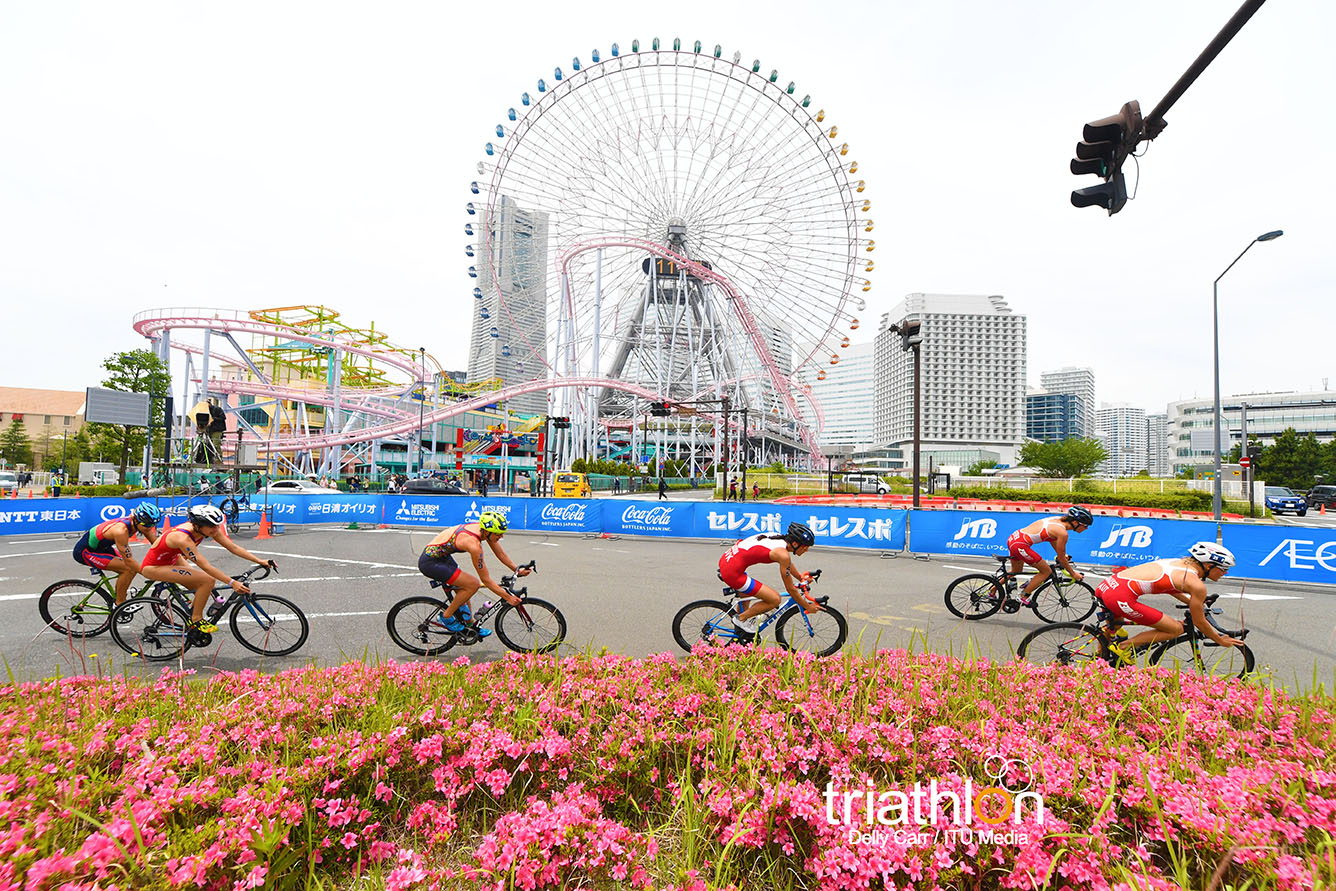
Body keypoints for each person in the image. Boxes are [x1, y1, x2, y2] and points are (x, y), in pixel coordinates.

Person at [1095, 541, 1244, 663]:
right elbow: (1199, 622)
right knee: (1175, 629)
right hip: (1119, 596)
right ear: (1208, 565)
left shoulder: (1178, 563)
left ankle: (1098, 658)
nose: (1226, 573)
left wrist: (1190, 600)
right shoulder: (1196, 584)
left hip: (1107, 586)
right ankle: (1123, 648)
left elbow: (1169, 586)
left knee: (1114, 626)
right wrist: (1219, 640)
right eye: (1224, 568)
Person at [138, 504, 275, 634]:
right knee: (207, 580)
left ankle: (192, 611)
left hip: (173, 560)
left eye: (217, 525)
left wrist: (259, 560)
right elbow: (205, 566)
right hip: (153, 567)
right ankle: (196, 619)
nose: (215, 530)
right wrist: (232, 583)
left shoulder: (208, 529)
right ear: (197, 525)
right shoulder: (182, 538)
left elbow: (233, 547)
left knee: (203, 586)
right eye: (211, 527)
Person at [419, 510, 531, 635]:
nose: (501, 536)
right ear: (487, 532)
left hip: (442, 557)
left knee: (464, 590)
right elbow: (486, 580)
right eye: (498, 534)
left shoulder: (483, 530)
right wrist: (508, 597)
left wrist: (516, 570)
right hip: (431, 563)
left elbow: (500, 553)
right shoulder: (474, 545)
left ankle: (470, 627)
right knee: (473, 584)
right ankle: (446, 616)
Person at [718, 522, 821, 642]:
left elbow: (786, 564)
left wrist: (800, 577)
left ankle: (741, 634)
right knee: (774, 599)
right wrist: (807, 606)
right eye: (805, 547)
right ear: (795, 544)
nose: (806, 550)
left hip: (728, 560)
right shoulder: (782, 554)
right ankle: (740, 619)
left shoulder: (779, 539)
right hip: (732, 572)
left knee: (749, 593)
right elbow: (791, 589)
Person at [72, 503, 163, 606]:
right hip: (85, 551)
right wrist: (148, 573)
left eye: (152, 525)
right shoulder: (120, 530)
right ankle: (119, 604)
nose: (149, 528)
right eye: (147, 525)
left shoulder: (141, 524)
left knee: (131, 569)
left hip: (102, 548)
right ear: (137, 520)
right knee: (128, 569)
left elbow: (157, 545)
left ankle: (119, 595)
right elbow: (129, 561)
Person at [1005, 506, 1091, 606]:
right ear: (1076, 523)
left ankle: (992, 591)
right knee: (1046, 571)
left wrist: (1062, 555)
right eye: (1085, 526)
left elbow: (1052, 538)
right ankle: (1023, 596)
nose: (1086, 528)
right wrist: (1073, 573)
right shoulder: (1063, 533)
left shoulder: (1057, 520)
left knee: (1016, 570)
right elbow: (1062, 559)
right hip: (1020, 545)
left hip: (1015, 538)